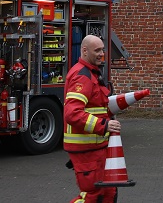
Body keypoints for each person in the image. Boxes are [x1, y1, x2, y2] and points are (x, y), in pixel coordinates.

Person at [64, 35, 121, 203]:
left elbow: (97, 106)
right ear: (84, 50)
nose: (101, 54)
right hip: (87, 150)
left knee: (108, 192)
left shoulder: (92, 74)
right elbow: (72, 113)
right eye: (97, 50)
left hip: (96, 147)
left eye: (102, 49)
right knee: (93, 196)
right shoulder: (82, 76)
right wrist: (104, 125)